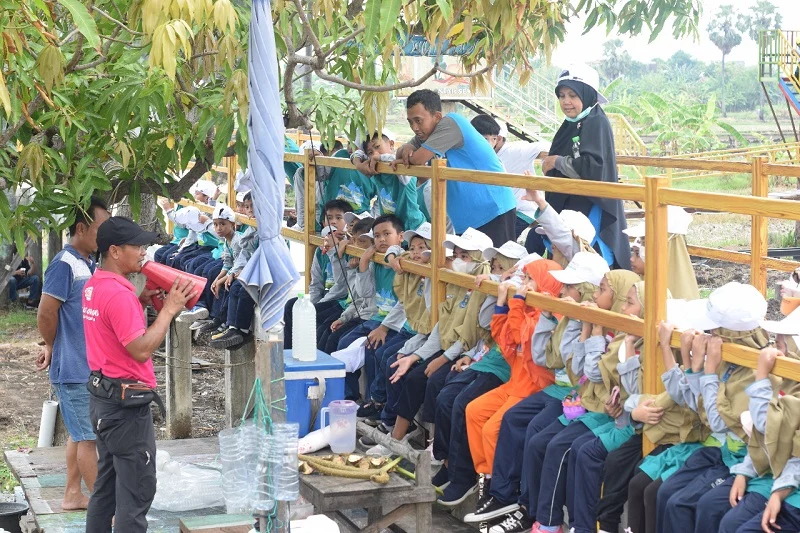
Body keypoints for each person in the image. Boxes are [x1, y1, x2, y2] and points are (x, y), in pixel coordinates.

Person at [83, 216, 194, 532]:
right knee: (135, 495)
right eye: (137, 246)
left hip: (103, 401)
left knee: (105, 491)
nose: (144, 252)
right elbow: (141, 350)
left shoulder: (95, 285)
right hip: (125, 409)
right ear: (115, 251)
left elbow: (112, 328)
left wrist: (140, 300)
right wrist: (169, 309)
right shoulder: (118, 295)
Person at [36, 196, 109, 511]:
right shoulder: (64, 264)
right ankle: (104, 509)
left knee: (80, 435)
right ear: (81, 228)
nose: (105, 237)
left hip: (86, 366)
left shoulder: (87, 263)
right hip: (74, 368)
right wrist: (53, 345)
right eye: (101, 229)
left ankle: (72, 494)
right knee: (88, 438)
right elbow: (45, 313)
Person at [393, 89, 517, 246]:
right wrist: (407, 148)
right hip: (465, 220)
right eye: (410, 122)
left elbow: (418, 159)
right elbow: (400, 153)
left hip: (493, 210)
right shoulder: (426, 135)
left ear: (437, 117)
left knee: (495, 261)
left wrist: (408, 153)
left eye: (418, 120)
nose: (414, 127)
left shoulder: (451, 123)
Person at [540, 65, 630, 269]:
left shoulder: (595, 122)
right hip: (570, 201)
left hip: (590, 204)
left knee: (587, 255)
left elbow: (593, 168)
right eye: (562, 96)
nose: (566, 101)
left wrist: (557, 162)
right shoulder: (572, 123)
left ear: (587, 95)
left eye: (573, 95)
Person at [470, 114, 551, 253]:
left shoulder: (514, 151)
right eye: (483, 138)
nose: (489, 143)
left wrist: (549, 164)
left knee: (503, 245)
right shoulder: (486, 156)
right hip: (500, 210)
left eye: (493, 138)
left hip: (522, 208)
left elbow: (546, 147)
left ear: (499, 138)